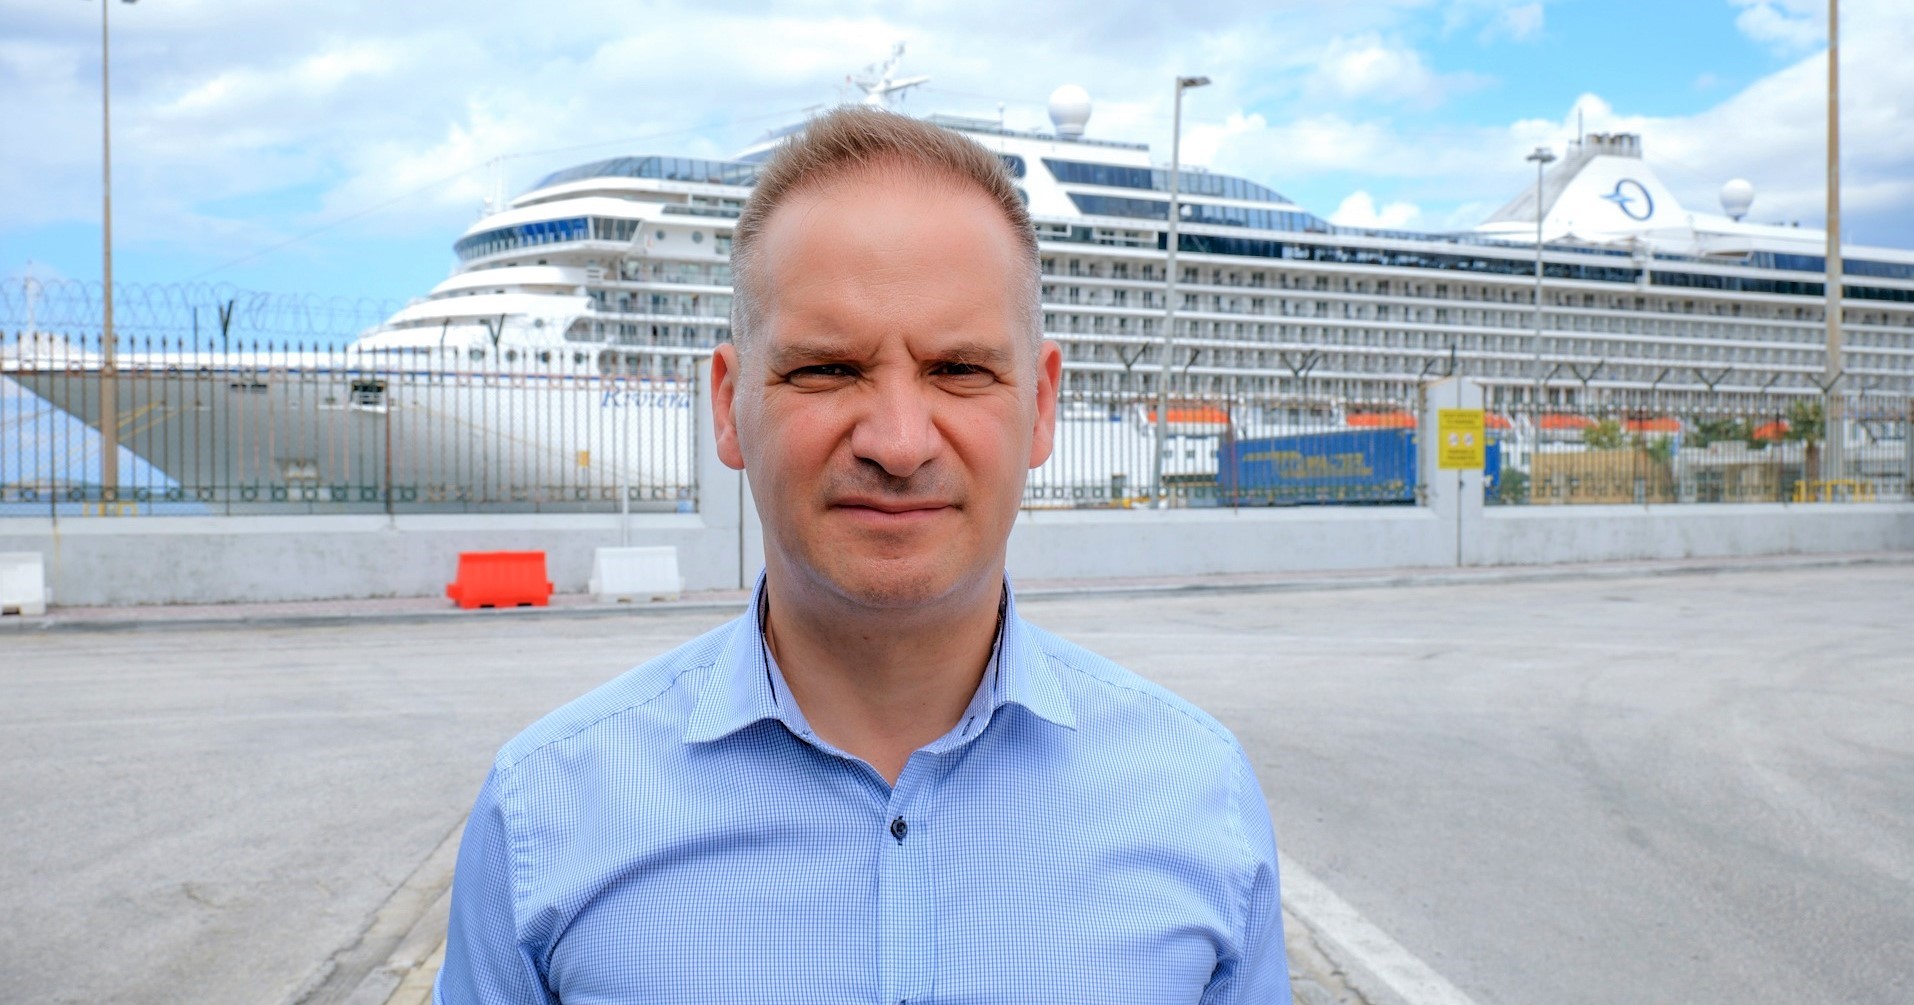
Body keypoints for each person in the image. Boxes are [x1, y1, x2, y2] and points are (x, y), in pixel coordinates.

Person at [435, 105, 1287, 1004]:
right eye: (827, 369)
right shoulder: (542, 817)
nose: (899, 442)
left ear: (1041, 407)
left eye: (959, 369)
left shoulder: (1203, 802)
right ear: (727, 406)